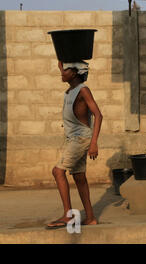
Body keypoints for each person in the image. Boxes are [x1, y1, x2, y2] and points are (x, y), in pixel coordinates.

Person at [46, 60, 103, 229]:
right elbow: (60, 63)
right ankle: (91, 217)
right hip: (73, 138)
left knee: (57, 171)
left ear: (76, 72)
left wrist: (94, 143)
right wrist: (62, 53)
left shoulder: (83, 90)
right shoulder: (70, 90)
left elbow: (98, 115)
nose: (62, 73)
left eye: (66, 71)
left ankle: (68, 216)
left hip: (81, 139)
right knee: (79, 177)